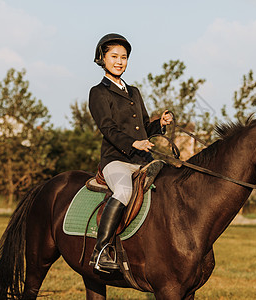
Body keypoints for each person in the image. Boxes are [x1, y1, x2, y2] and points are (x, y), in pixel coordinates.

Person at [88, 33, 173, 272]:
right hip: (116, 160)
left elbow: (145, 126)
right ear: (102, 58)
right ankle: (101, 249)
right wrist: (133, 144)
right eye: (114, 56)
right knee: (124, 190)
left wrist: (160, 124)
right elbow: (108, 128)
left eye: (123, 57)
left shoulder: (134, 92)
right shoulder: (98, 92)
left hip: (142, 160)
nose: (119, 61)